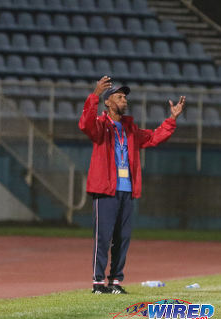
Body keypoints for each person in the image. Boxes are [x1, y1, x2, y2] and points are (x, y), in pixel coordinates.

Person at [79, 75, 185, 294]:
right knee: (103, 238)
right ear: (108, 102)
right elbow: (85, 124)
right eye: (119, 97)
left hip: (127, 190)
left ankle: (115, 282)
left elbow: (154, 137)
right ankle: (98, 283)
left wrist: (171, 120)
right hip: (106, 190)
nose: (124, 100)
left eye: (125, 97)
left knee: (122, 238)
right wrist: (95, 95)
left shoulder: (130, 129)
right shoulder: (100, 125)